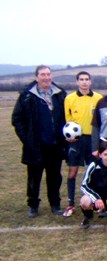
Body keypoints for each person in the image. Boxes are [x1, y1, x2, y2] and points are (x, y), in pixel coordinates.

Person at [12, 65, 67, 217]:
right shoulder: (27, 96)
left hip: (55, 145)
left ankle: (55, 204)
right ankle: (33, 205)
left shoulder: (60, 94)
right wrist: (27, 139)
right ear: (37, 77)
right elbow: (17, 119)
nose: (46, 77)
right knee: (34, 177)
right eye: (43, 74)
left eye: (48, 74)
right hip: (35, 146)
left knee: (55, 176)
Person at [62, 71, 103, 217]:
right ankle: (71, 204)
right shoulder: (69, 98)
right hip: (76, 141)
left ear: (90, 81)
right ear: (77, 82)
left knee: (94, 171)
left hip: (93, 140)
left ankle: (95, 201)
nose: (84, 82)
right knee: (72, 172)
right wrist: (69, 136)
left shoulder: (98, 98)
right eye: (81, 80)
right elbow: (68, 121)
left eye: (87, 79)